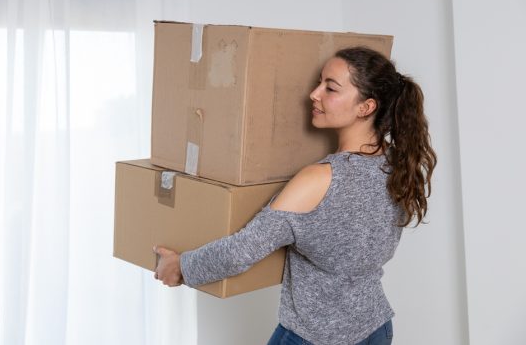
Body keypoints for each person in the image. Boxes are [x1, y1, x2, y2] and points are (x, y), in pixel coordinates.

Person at [152, 46, 437, 345]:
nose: (314, 94)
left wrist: (181, 266)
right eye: (319, 83)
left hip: (314, 336)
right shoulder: (399, 166)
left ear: (365, 107)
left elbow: (240, 252)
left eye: (330, 88)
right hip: (375, 327)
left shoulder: (319, 178)